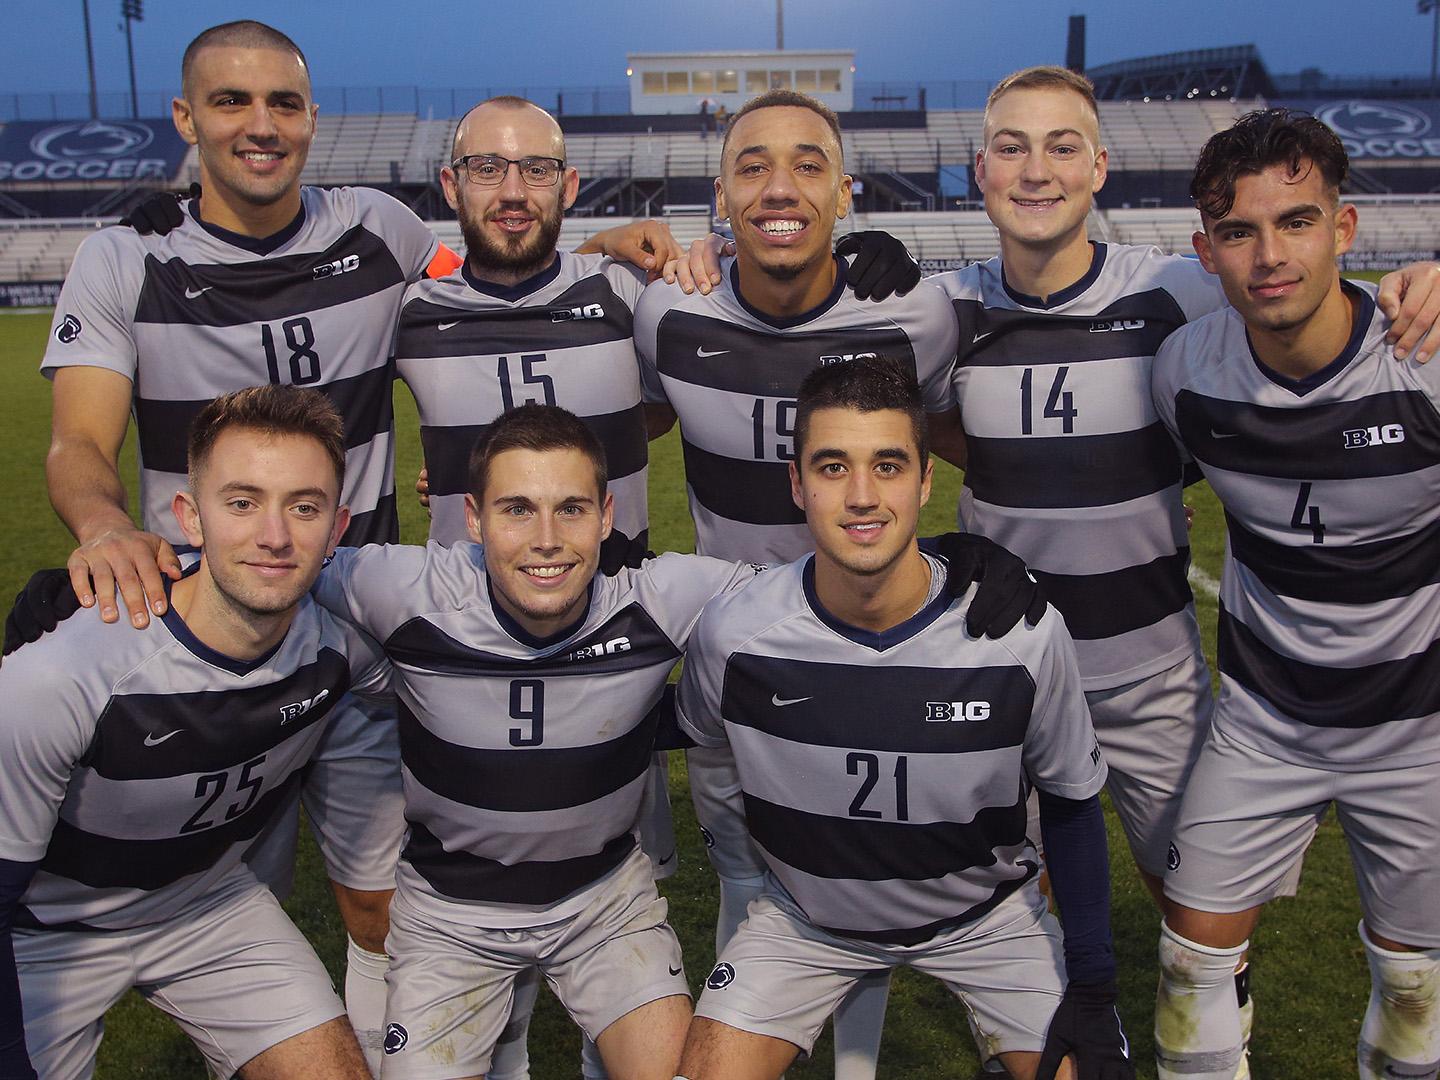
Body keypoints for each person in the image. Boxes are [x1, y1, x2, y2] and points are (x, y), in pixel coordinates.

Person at [38, 20, 689, 1067]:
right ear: (186, 119)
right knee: (219, 901)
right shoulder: (126, 255)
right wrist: (108, 526)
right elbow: (76, 440)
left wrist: (611, 245)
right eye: (232, 102)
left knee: (383, 903)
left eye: (283, 103)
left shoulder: (378, 232)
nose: (259, 125)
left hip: (358, 632)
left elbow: (500, 257)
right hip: (195, 636)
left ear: (311, 119)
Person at [925, 68, 1440, 1075]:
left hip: (1152, 672)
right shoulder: (940, 309)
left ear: (1102, 167)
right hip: (1008, 671)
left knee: (1191, 909)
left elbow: (1309, 285)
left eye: (1063, 144)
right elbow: (918, 416)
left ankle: (1200, 1020)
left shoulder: (1182, 289)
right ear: (978, 168)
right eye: (1013, 147)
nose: (1037, 170)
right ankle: (1064, 1029)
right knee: (1011, 891)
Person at [672, 356, 1131, 1080]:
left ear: (924, 480)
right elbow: (694, 738)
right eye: (831, 467)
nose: (861, 497)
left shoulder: (1020, 633)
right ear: (797, 483)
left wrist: (1095, 984)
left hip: (989, 921)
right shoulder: (734, 635)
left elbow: (1074, 805)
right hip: (806, 924)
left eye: (888, 466)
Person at [633, 87, 965, 1078]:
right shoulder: (671, 312)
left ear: (846, 192)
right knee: (745, 874)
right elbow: (631, 409)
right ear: (721, 198)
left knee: (852, 886)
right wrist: (627, 239)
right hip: (731, 661)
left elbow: (955, 434)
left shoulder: (916, 314)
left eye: (808, 164)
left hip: (867, 656)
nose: (780, 186)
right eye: (753, 166)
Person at [1150, 108, 1440, 1080]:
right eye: (1238, 231)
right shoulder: (1187, 375)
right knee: (1189, 969)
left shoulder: (1424, 361)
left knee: (1417, 999)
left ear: (1345, 229)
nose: (1269, 255)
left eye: (1298, 221)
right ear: (1206, 250)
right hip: (1264, 724)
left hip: (1418, 733)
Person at [0, 385, 390, 1079]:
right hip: (45, 932)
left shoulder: (341, 647)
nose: (275, 536)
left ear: (337, 529)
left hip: (206, 904)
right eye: (242, 503)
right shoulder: (60, 678)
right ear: (191, 517)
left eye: (304, 507)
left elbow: (464, 683)